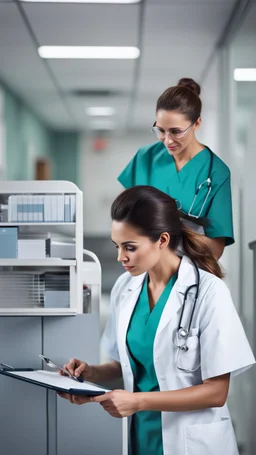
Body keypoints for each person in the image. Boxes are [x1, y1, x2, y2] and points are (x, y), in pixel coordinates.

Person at [58, 186, 255, 455]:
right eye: (117, 246)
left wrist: (138, 401)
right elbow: (124, 364)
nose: (120, 257)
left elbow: (216, 392)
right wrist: (90, 373)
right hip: (141, 437)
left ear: (162, 240)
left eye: (130, 247)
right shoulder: (125, 288)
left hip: (192, 443)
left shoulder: (209, 292)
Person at [118, 78, 234, 259]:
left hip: (190, 273)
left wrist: (174, 232)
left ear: (197, 123)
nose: (167, 140)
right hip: (144, 270)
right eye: (160, 130)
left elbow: (215, 250)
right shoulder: (145, 158)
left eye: (176, 131)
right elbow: (126, 220)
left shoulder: (216, 172)